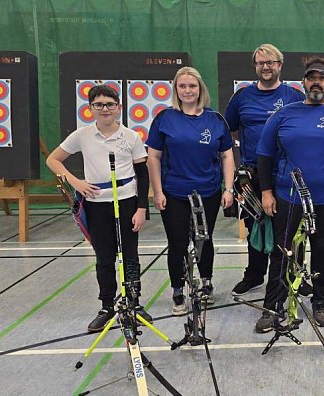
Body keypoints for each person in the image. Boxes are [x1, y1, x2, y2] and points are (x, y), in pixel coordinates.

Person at [255, 58, 324, 332]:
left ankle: (321, 302)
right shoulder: (284, 115)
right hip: (289, 197)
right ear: (304, 83)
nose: (316, 82)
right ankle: (273, 305)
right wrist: (267, 192)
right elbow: (264, 155)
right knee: (282, 253)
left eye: (322, 78)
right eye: (311, 78)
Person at [46, 84, 152, 333]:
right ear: (90, 108)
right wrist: (76, 182)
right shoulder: (82, 135)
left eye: (110, 104)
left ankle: (134, 303)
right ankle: (107, 306)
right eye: (99, 105)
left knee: (130, 255)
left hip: (126, 201)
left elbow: (142, 174)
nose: (105, 109)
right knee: (104, 258)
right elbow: (53, 159)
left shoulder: (131, 137)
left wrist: (141, 208)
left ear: (119, 108)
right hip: (96, 204)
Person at [146, 66, 235, 316]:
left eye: (192, 86)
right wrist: (157, 191)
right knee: (177, 243)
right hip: (174, 192)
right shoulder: (164, 118)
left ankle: (206, 284)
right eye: (182, 86)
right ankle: (177, 290)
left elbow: (227, 155)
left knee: (204, 240)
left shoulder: (215, 120)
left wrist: (228, 189)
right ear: (176, 89)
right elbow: (153, 157)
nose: (187, 90)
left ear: (200, 89)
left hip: (208, 191)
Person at [224, 44, 306, 297]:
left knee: (293, 228)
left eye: (270, 62)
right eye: (261, 63)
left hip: (286, 172)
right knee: (255, 226)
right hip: (253, 175)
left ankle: (296, 275)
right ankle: (254, 275)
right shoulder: (241, 97)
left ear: (280, 65)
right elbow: (233, 130)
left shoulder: (293, 96)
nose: (266, 67)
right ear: (255, 67)